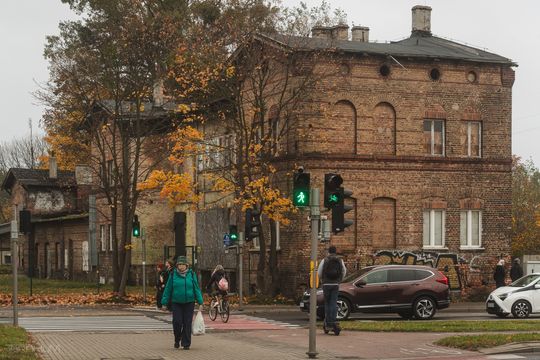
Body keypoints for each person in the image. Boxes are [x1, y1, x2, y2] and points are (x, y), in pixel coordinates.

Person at [161, 256, 204, 350]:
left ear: (186, 265)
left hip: (189, 302)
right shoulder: (173, 275)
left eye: (183, 264)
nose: (181, 266)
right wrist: (164, 302)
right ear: (177, 265)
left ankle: (186, 343)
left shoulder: (191, 274)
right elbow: (168, 289)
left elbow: (196, 288)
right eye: (179, 264)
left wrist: (200, 302)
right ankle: (177, 339)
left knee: (187, 322)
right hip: (176, 302)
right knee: (177, 322)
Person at [317, 245, 346, 335]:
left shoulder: (324, 260)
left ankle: (328, 321)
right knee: (333, 302)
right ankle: (333, 320)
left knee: (327, 303)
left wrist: (322, 280)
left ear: (329, 252)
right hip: (335, 284)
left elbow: (319, 273)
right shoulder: (340, 260)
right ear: (336, 251)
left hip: (326, 284)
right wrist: (339, 280)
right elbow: (344, 271)